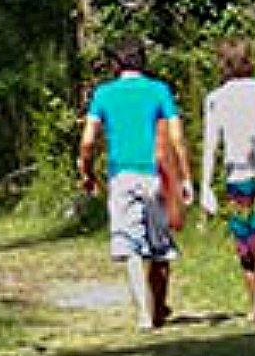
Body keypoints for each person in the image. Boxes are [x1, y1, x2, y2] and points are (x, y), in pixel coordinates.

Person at [78, 40, 191, 330]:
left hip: (121, 176)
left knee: (129, 245)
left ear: (116, 64)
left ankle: (144, 313)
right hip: (157, 175)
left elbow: (88, 141)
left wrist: (87, 172)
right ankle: (158, 308)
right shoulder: (159, 91)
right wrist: (185, 177)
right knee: (160, 245)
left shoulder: (103, 94)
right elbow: (177, 138)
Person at [198, 38, 255, 324]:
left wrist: (205, 186)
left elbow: (211, 145)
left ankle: (254, 301)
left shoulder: (215, 98)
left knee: (245, 242)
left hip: (236, 178)